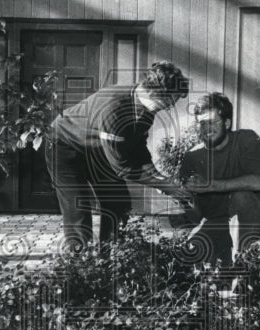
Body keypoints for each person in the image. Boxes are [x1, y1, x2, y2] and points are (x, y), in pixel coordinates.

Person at [44, 61, 189, 251]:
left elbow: (138, 147)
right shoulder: (115, 107)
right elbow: (122, 167)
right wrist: (162, 185)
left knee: (117, 202)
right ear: (153, 93)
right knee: (78, 210)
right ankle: (76, 262)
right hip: (63, 145)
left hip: (96, 147)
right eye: (169, 102)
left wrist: (158, 177)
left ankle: (110, 257)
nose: (170, 107)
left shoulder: (147, 108)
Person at [178, 92, 260, 267]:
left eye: (212, 122)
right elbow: (196, 216)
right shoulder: (192, 157)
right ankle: (224, 256)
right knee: (192, 250)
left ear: (227, 123)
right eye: (201, 124)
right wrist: (183, 196)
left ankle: (240, 263)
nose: (206, 129)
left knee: (241, 196)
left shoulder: (245, 140)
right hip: (216, 222)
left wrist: (211, 185)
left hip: (251, 216)